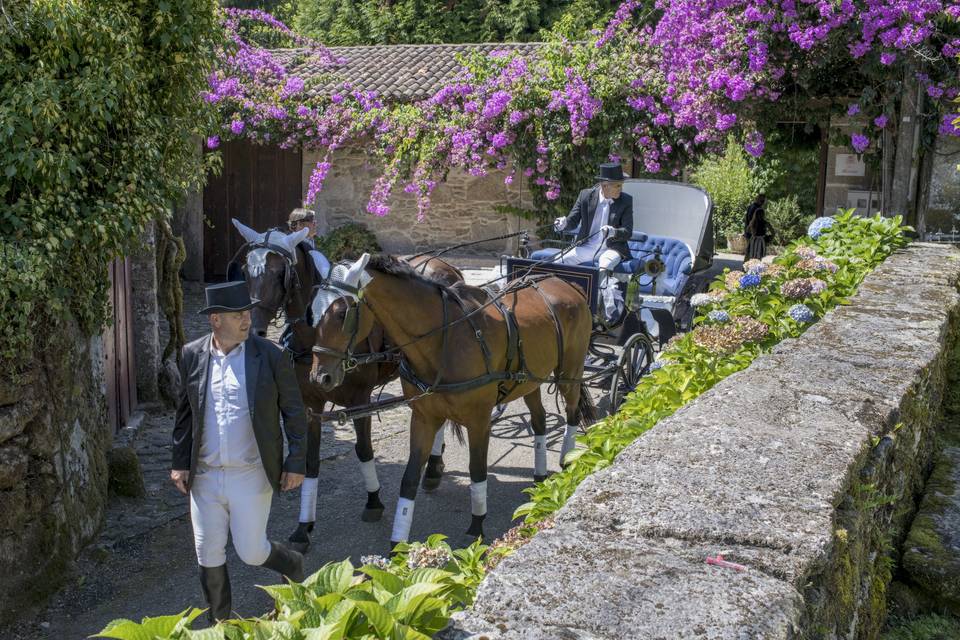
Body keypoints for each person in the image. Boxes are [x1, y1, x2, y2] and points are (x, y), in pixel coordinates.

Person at [171, 281, 308, 623]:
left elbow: (294, 412)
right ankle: (221, 626)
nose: (247, 320)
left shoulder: (271, 356)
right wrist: (179, 463)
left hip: (251, 474)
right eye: (238, 315)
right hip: (205, 476)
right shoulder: (192, 355)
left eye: (247, 313)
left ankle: (292, 563)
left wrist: (296, 462)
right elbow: (185, 413)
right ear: (215, 320)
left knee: (251, 552)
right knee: (208, 551)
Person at [553, 162, 634, 321]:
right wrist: (563, 224)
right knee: (559, 260)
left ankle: (596, 308)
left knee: (604, 264)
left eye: (621, 185)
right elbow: (572, 221)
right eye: (617, 186)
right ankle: (559, 300)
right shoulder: (585, 196)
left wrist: (613, 232)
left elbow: (628, 232)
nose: (620, 189)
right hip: (587, 246)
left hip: (612, 248)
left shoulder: (626, 200)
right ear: (605, 186)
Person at [288, 207, 331, 280]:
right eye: (312, 222)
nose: (315, 224)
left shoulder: (315, 241)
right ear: (299, 224)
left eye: (315, 222)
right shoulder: (290, 245)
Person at [744, 196, 774, 262]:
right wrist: (770, 238)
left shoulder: (751, 207)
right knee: (756, 255)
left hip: (753, 237)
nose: (762, 203)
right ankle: (751, 268)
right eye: (762, 201)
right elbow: (772, 231)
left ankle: (746, 268)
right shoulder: (755, 208)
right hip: (757, 238)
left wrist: (752, 231)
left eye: (763, 201)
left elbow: (748, 227)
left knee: (750, 254)